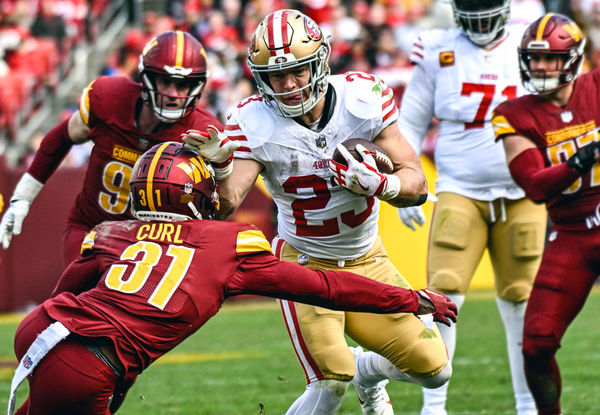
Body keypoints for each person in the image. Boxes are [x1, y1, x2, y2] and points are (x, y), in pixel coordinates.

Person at [7, 142, 458, 415]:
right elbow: (325, 286)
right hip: (92, 362)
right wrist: (408, 299)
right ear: (195, 193)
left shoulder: (112, 234)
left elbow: (65, 292)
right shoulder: (226, 244)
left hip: (48, 332)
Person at [183, 9, 453, 415]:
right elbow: (227, 204)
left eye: (298, 70)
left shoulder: (362, 99)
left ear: (321, 63)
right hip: (304, 264)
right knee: (330, 381)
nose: (289, 85)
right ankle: (352, 373)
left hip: (369, 259)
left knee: (435, 371)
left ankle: (368, 373)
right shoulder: (253, 120)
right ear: (262, 78)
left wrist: (382, 186)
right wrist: (219, 169)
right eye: (277, 76)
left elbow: (416, 183)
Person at [395, 1, 547, 414]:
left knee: (521, 302)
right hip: (460, 189)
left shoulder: (531, 41)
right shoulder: (438, 50)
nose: (479, 16)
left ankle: (527, 406)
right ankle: (434, 406)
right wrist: (405, 181)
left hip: (523, 192)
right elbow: (409, 123)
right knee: (444, 295)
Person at [0, 30, 222, 268]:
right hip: (91, 231)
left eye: (183, 85)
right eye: (165, 81)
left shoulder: (204, 132)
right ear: (146, 78)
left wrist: (224, 167)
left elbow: (220, 205)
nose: (173, 94)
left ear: (197, 85)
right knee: (75, 301)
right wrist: (23, 196)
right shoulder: (109, 97)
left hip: (153, 245)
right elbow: (62, 136)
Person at [492, 13, 594, 415]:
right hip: (572, 234)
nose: (540, 67)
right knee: (536, 341)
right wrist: (581, 159)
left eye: (550, 59)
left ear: (573, 58)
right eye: (533, 59)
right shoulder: (515, 113)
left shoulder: (597, 86)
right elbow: (533, 184)